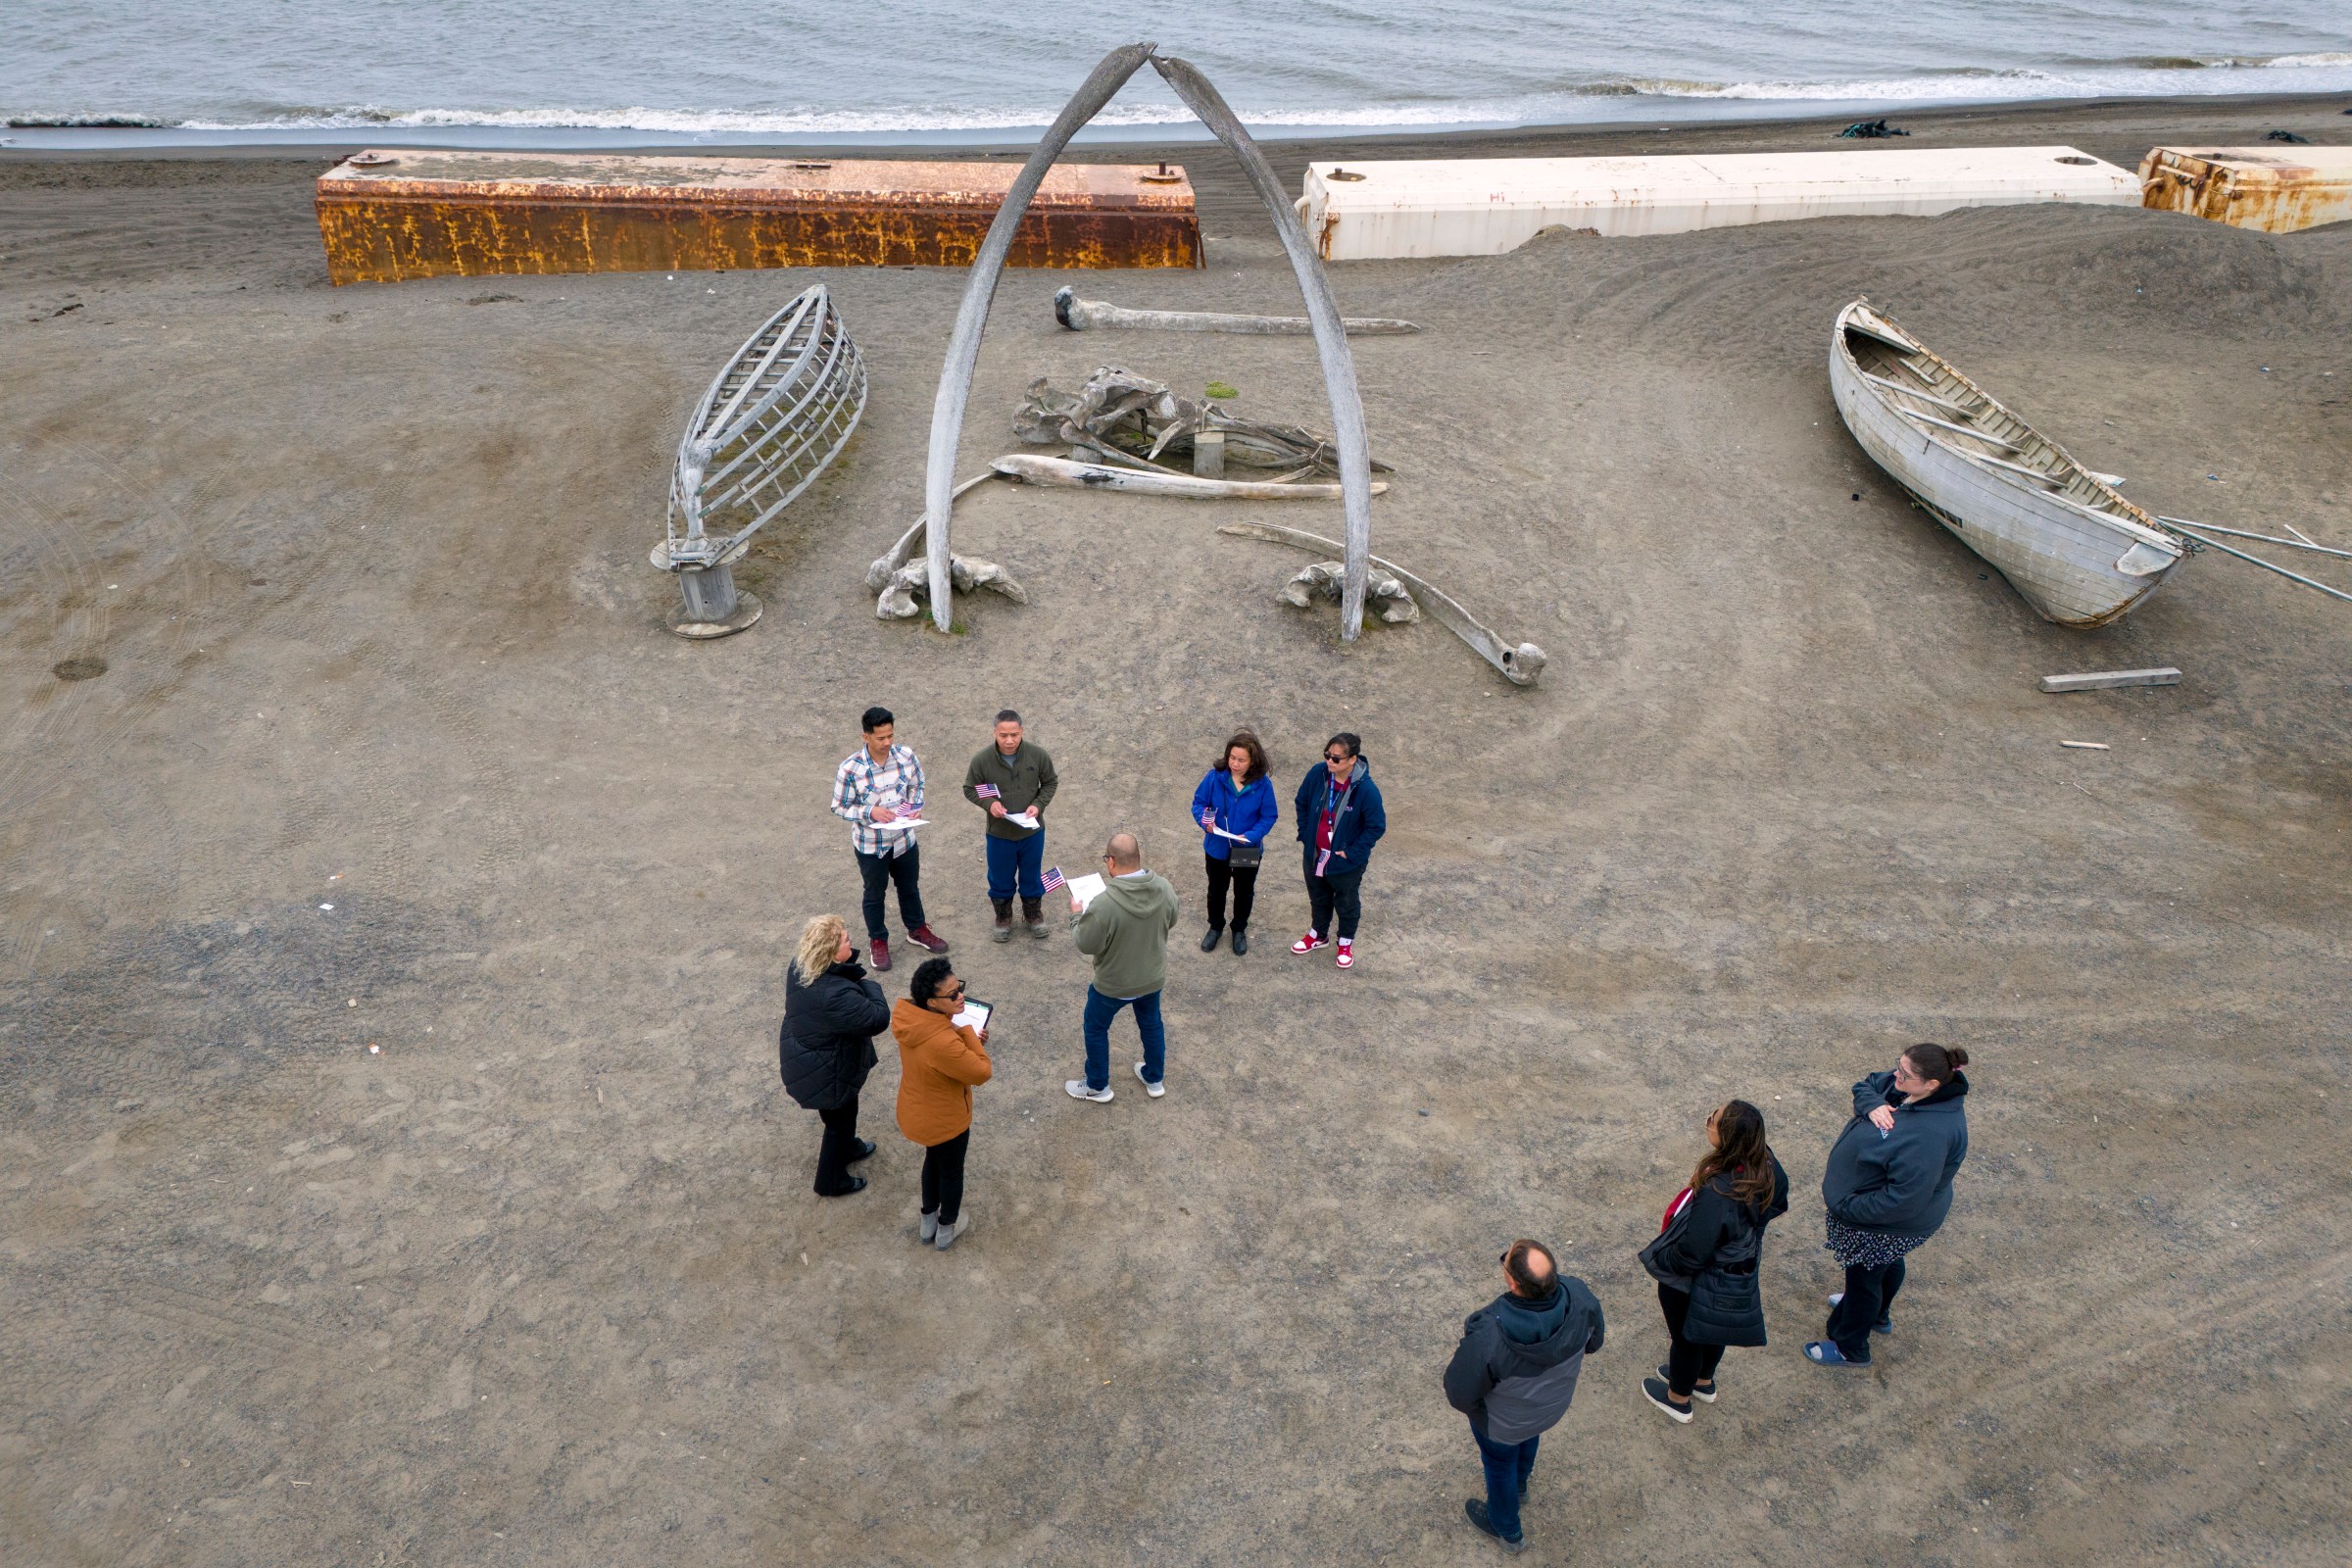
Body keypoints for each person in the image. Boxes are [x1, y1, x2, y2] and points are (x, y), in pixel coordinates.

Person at [1807, 1043, 1972, 1368]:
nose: (1896, 1074)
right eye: (1898, 1066)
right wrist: (1871, 1106)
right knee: (1885, 1264)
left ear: (1931, 1084)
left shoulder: (1930, 1135)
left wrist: (1848, 1208)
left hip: (1887, 1223)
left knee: (1864, 1280)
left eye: (1905, 1073)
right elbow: (1866, 1085)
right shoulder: (1905, 1090)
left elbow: (1902, 1200)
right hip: (1890, 1220)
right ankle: (1878, 1315)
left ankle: (1850, 1347)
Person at [1444, 1239, 1605, 1555]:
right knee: (1528, 1435)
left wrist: (1480, 1413)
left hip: (1502, 1424)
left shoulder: (1490, 1334)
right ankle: (1520, 1484)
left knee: (1498, 1463)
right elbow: (1594, 1342)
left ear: (1513, 1282)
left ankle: (1506, 1530)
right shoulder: (1581, 1298)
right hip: (1548, 1409)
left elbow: (1459, 1392)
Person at [1638, 1101, 1789, 1422]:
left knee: (1687, 1337)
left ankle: (1678, 1399)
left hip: (1701, 1278)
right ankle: (1703, 1382)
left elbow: (1693, 1252)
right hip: (1734, 1273)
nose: (1707, 1120)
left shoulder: (1719, 1193)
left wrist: (1664, 1258)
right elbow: (1779, 1201)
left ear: (1730, 1138)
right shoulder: (1767, 1164)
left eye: (1714, 1120)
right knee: (1713, 1329)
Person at [830, 705, 951, 973]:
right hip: (871, 845)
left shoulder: (906, 756)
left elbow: (917, 784)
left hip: (904, 839)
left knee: (910, 887)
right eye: (881, 738)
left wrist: (915, 805)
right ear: (866, 737)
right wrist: (869, 811)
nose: (887, 743)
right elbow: (839, 806)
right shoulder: (850, 769)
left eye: (890, 736)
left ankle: (916, 929)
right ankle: (878, 940)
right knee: (874, 894)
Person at [776, 914, 890, 1198]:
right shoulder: (835, 994)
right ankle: (830, 1181)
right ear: (830, 953)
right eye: (846, 939)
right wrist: (868, 983)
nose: (851, 940)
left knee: (842, 1112)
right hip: (828, 1069)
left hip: (813, 1060)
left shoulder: (800, 966)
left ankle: (849, 1147)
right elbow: (877, 1018)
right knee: (838, 1123)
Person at [1063, 832, 1178, 1102]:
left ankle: (1097, 1085)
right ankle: (1154, 1078)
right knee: (1151, 1025)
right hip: (1151, 978)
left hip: (1113, 984)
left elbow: (1085, 942)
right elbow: (1172, 918)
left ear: (1111, 862)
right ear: (1138, 859)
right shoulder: (1164, 887)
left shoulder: (1104, 903)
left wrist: (1075, 915)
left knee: (1095, 1028)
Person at [892, 957, 993, 1250]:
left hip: (917, 1111)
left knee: (932, 1161)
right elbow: (982, 1072)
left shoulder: (910, 1019)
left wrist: (960, 1036)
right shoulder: (945, 1041)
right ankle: (947, 1226)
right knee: (950, 1170)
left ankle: (927, 1222)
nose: (960, 996)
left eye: (959, 988)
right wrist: (969, 1037)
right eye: (952, 995)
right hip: (946, 1119)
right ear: (933, 1003)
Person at [1290, 731, 1386, 970]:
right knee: (1318, 895)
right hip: (1315, 853)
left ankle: (1345, 942)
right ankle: (1319, 934)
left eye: (1336, 758)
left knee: (1347, 901)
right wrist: (1306, 834)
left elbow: (1376, 827)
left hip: (1345, 862)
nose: (1329, 762)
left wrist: (1352, 852)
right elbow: (1301, 801)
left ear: (1352, 760)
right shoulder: (1318, 774)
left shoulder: (1366, 790)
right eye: (1327, 756)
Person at [962, 710, 1059, 944]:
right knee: (1000, 877)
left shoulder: (1038, 756)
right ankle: (1003, 916)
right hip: (999, 833)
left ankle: (1033, 913)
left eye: (1014, 734)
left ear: (1022, 732)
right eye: (1003, 735)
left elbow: (1050, 782)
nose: (1009, 740)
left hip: (1032, 832)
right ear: (995, 732)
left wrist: (1038, 805)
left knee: (1031, 874)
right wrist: (989, 804)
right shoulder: (982, 760)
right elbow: (970, 788)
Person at [1190, 729, 1278, 956]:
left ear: (1253, 761)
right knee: (1216, 891)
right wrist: (1204, 821)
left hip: (1247, 850)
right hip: (1217, 849)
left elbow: (1269, 816)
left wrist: (1252, 835)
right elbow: (1198, 803)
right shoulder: (1214, 777)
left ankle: (1239, 929)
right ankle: (1215, 926)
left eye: (1241, 760)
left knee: (1244, 892)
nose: (1235, 764)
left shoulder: (1262, 784)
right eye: (1232, 758)